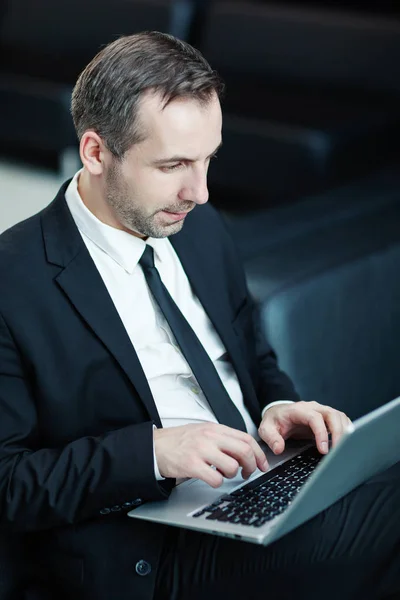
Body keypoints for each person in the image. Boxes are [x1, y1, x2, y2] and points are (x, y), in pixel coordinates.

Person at [0, 31, 399, 600]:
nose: (202, 191)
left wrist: (280, 407)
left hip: (260, 488)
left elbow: (253, 356)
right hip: (151, 553)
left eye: (209, 158)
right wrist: (156, 452)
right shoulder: (14, 283)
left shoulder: (199, 226)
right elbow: (8, 484)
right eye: (174, 164)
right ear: (95, 152)